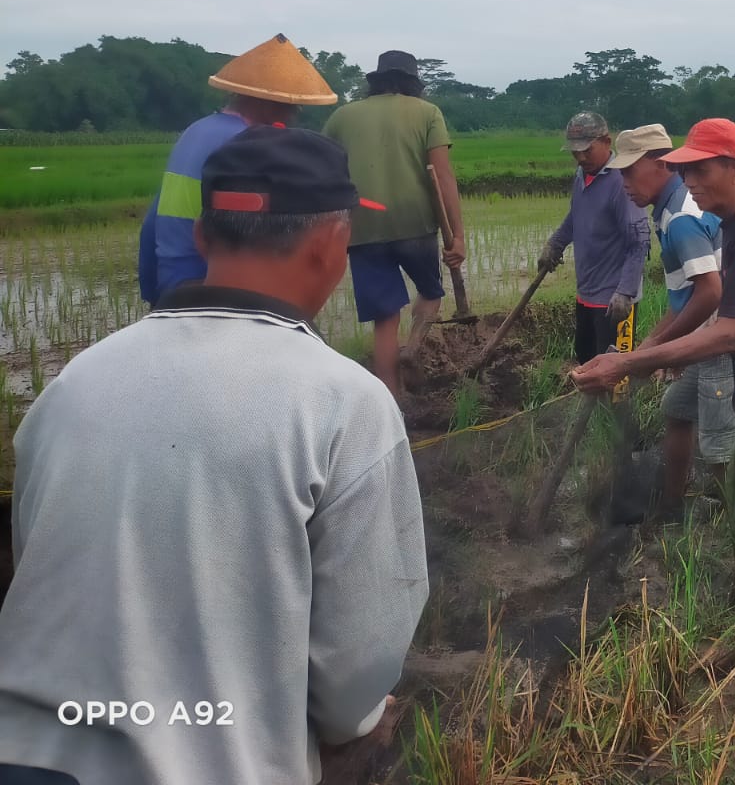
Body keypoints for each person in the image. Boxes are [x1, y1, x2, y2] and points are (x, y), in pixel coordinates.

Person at [0, 127, 427, 785]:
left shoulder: (73, 384)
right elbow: (357, 662)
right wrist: (350, 720)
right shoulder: (344, 403)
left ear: (201, 237)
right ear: (332, 246)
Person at [570, 119, 735, 676]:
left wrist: (633, 358)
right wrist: (647, 355)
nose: (692, 179)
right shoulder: (734, 223)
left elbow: (728, 329)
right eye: (685, 168)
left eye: (702, 168)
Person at [137, 33, 336, 303]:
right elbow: (263, 234)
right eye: (290, 107)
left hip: (173, 281)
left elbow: (155, 217)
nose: (291, 116)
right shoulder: (246, 146)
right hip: (214, 285)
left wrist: (155, 287)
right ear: (266, 101)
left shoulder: (196, 130)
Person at [323, 49, 465, 399]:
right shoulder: (427, 112)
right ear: (413, 83)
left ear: (377, 80)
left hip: (362, 227)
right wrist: (458, 236)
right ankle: (413, 347)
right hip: (415, 223)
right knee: (431, 293)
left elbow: (324, 170)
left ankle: (390, 399)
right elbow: (443, 176)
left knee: (385, 319)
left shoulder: (343, 116)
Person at [610, 124, 735, 510]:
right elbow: (686, 296)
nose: (624, 183)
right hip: (707, 336)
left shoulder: (680, 218)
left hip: (719, 341)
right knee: (676, 408)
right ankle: (673, 502)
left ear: (659, 163)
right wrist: (652, 344)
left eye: (630, 171)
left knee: (717, 449)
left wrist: (661, 350)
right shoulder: (672, 208)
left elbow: (711, 292)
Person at [537, 112, 651, 365]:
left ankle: (618, 407)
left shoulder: (622, 182)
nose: (580, 158)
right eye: (575, 152)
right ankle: (591, 405)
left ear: (607, 142)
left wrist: (625, 292)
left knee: (614, 371)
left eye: (587, 150)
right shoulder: (581, 176)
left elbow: (639, 241)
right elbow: (576, 216)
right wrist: (555, 244)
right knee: (586, 360)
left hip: (614, 300)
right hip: (586, 292)